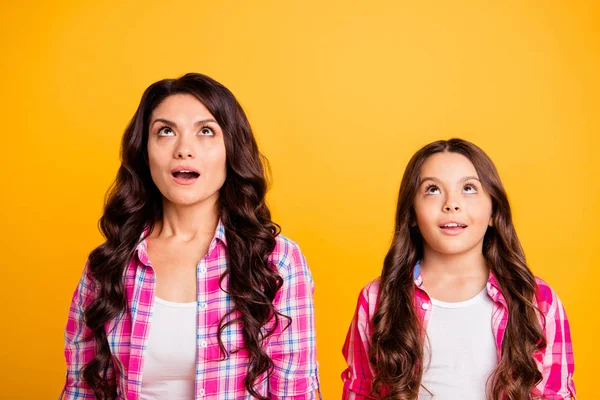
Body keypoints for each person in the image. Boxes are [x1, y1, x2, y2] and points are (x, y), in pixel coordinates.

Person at [60, 73, 320, 400]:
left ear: (231, 150)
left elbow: (295, 392)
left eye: (206, 131)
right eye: (166, 131)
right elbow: (81, 390)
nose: (184, 149)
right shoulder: (108, 264)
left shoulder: (277, 261)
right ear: (144, 151)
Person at [342, 138, 575, 399]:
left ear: (493, 212)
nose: (451, 204)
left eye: (468, 188)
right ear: (412, 215)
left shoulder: (537, 300)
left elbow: (558, 393)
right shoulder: (376, 298)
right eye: (432, 189)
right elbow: (360, 391)